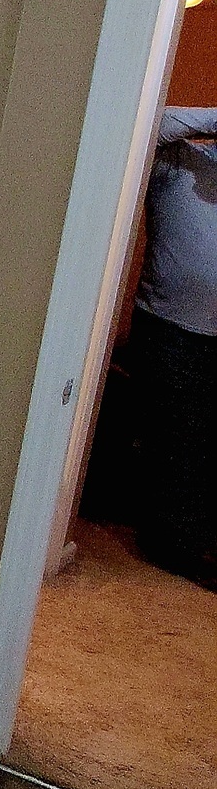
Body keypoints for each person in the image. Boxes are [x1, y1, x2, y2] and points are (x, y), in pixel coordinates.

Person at [131, 105, 217, 584]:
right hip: (170, 330)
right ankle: (170, 546)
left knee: (206, 445)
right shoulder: (178, 164)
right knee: (177, 441)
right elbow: (149, 121)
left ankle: (195, 540)